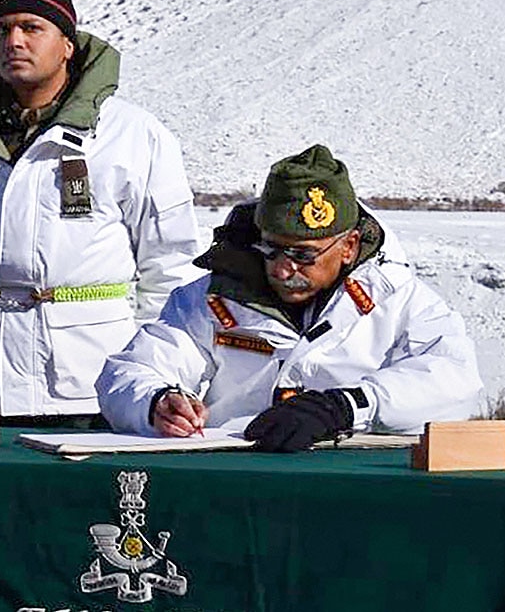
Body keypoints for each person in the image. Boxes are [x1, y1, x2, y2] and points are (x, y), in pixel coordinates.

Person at [0, 0, 201, 427]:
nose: (13, 41)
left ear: (67, 44)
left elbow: (169, 267)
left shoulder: (131, 136)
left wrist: (149, 375)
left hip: (93, 385)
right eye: (1, 29)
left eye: (31, 27)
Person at [96, 144, 483, 449]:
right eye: (271, 250)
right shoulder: (210, 300)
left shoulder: (400, 301)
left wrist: (348, 406)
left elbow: (454, 381)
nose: (283, 269)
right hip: (239, 477)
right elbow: (131, 371)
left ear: (348, 246)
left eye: (303, 255)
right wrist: (155, 402)